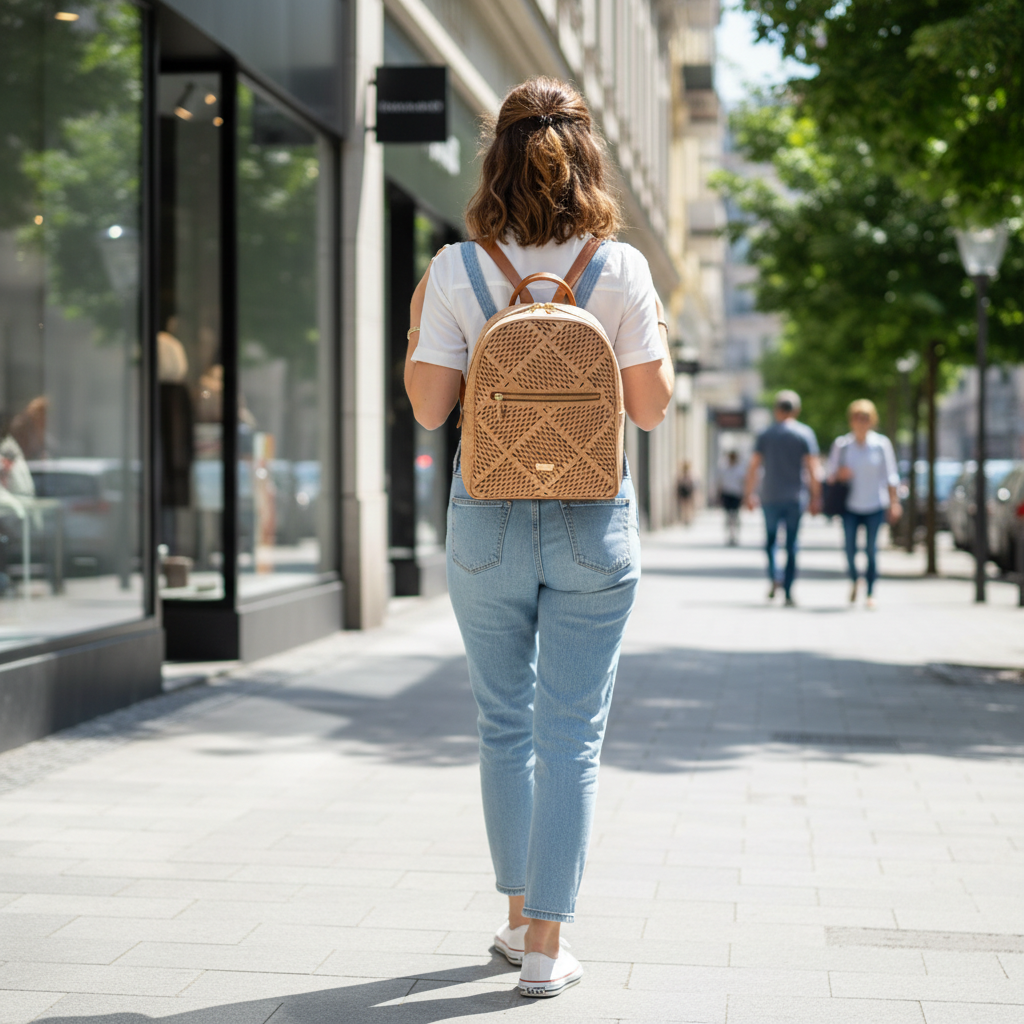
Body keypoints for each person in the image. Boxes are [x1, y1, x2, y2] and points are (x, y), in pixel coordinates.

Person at [404, 77, 673, 998]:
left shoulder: (454, 268)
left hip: (485, 516)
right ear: (586, 156)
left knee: (503, 724)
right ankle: (550, 946)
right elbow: (649, 406)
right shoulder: (622, 268)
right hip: (595, 521)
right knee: (571, 735)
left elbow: (431, 407)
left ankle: (517, 919)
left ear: (497, 158)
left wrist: (425, 329)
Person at [743, 390, 821, 606]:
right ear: (796, 410)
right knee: (792, 544)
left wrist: (749, 494)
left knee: (770, 542)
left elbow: (754, 467)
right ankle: (788, 589)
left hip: (770, 496)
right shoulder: (805, 434)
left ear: (777, 410)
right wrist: (816, 497)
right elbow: (813, 468)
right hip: (796, 498)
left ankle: (775, 578)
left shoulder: (766, 435)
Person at [827, 399, 901, 608]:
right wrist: (839, 474)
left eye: (865, 418)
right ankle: (853, 579)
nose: (861, 422)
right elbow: (830, 475)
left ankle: (870, 592)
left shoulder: (881, 445)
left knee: (871, 550)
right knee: (849, 549)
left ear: (872, 420)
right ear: (851, 420)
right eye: (857, 417)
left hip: (875, 505)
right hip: (849, 506)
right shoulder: (842, 446)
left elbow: (891, 476)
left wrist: (894, 503)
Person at [718, 450, 745, 546]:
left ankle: (735, 536)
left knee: (735, 516)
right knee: (728, 516)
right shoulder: (724, 468)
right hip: (727, 494)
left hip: (736, 494)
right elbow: (720, 482)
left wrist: (745, 496)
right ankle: (730, 535)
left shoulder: (740, 469)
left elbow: (743, 482)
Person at [677, 461, 695, 525]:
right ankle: (685, 519)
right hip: (684, 492)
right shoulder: (682, 476)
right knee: (684, 506)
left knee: (687, 506)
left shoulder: (689, 476)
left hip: (687, 492)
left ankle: (688, 519)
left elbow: (691, 485)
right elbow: (679, 485)